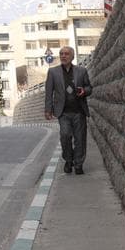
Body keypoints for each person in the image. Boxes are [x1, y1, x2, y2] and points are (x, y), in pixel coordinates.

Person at [44, 46, 93, 174]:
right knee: (65, 135)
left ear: (72, 56)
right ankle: (68, 160)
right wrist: (48, 109)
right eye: (61, 54)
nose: (63, 56)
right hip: (63, 112)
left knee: (80, 139)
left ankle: (78, 164)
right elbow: (49, 92)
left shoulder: (81, 71)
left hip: (79, 111)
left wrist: (84, 91)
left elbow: (89, 88)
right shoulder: (53, 72)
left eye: (66, 54)